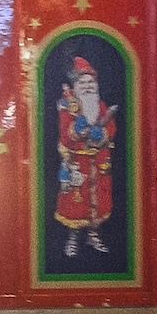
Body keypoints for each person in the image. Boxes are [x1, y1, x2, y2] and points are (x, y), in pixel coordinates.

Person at [54, 55, 116, 258]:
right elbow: (65, 133)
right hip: (77, 163)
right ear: (76, 85)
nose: (88, 86)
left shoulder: (100, 106)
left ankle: (93, 235)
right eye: (83, 82)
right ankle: (72, 238)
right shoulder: (68, 106)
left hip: (98, 162)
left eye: (91, 82)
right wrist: (77, 129)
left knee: (98, 199)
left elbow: (111, 127)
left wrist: (103, 134)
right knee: (75, 201)